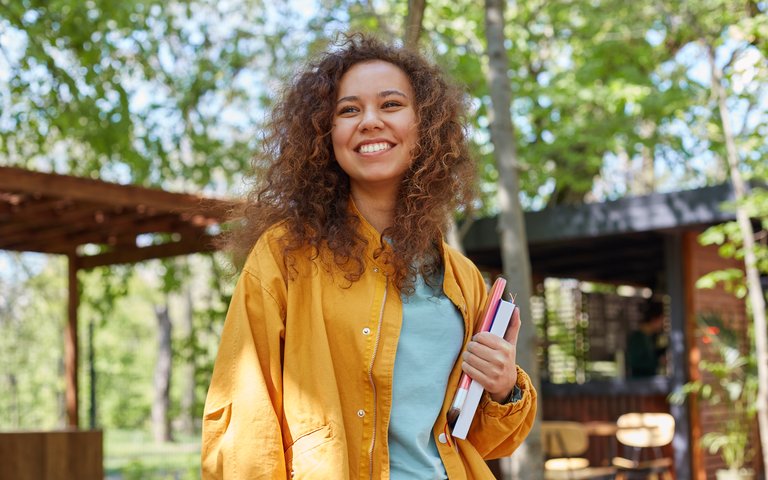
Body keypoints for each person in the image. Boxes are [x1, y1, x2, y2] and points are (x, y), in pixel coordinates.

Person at [201, 33, 537, 479]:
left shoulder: (462, 277)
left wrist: (503, 387)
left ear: (426, 126)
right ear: (326, 133)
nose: (370, 121)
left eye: (391, 104)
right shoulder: (284, 256)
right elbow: (246, 422)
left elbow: (482, 440)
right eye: (349, 110)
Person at [626, 301, 667, 378]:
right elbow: (635, 362)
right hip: (640, 383)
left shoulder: (652, 337)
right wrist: (658, 362)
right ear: (655, 319)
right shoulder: (637, 338)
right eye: (661, 320)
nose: (662, 324)